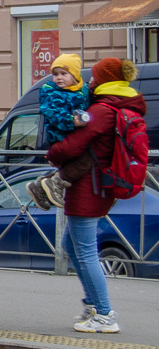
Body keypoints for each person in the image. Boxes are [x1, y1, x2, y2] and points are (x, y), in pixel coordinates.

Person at [44, 56, 145, 333]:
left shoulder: (102, 110)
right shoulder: (115, 105)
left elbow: (72, 145)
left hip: (89, 187)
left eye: (94, 77)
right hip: (95, 185)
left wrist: (51, 152)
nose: (89, 81)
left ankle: (104, 314)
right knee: (70, 245)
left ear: (104, 80)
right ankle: (91, 303)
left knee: (86, 253)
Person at [28, 53, 91, 211]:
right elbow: (52, 113)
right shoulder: (52, 93)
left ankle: (40, 187)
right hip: (59, 137)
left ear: (75, 76)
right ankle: (54, 183)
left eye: (64, 74)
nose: (58, 78)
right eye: (55, 74)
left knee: (71, 166)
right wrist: (72, 121)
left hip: (73, 136)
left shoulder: (82, 91)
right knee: (84, 162)